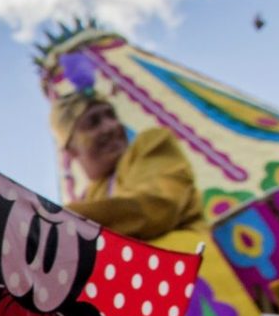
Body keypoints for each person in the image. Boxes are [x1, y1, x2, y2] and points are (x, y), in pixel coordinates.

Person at [49, 92, 205, 246]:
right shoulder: (90, 197)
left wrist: (58, 220)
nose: (110, 126)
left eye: (112, 116)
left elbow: (157, 207)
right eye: (93, 123)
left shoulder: (151, 143)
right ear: (71, 150)